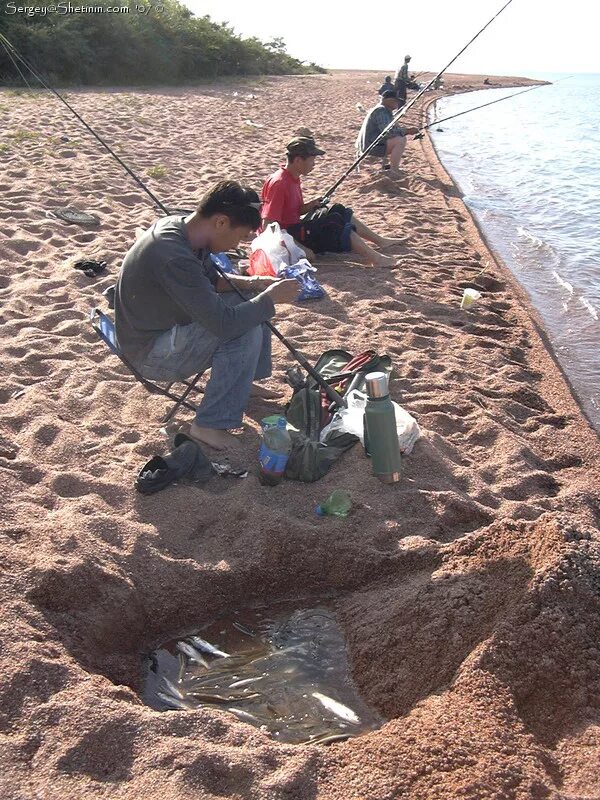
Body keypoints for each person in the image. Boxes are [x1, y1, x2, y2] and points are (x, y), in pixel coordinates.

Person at [114, 180, 299, 450]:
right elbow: (224, 324)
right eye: (239, 236)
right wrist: (270, 299)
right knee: (243, 326)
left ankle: (243, 383)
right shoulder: (173, 254)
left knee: (247, 301)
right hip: (151, 353)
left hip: (163, 328)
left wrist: (256, 282)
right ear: (221, 222)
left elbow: (211, 282)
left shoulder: (186, 232)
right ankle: (208, 424)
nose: (236, 245)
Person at [261, 136, 406, 268]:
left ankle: (380, 241)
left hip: (296, 228)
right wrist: (298, 247)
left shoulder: (293, 177)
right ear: (298, 160)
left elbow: (292, 211)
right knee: (333, 222)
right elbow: (268, 226)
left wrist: (311, 205)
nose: (314, 164)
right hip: (290, 237)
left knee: (339, 210)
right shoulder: (279, 183)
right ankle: (376, 258)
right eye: (312, 160)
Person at [355, 90, 419, 177]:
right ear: (388, 100)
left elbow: (389, 130)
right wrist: (407, 131)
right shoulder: (381, 111)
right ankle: (394, 170)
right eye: (395, 101)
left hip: (366, 144)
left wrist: (403, 130)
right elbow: (388, 132)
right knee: (400, 140)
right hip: (370, 147)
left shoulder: (381, 109)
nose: (397, 103)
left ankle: (389, 167)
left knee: (398, 137)